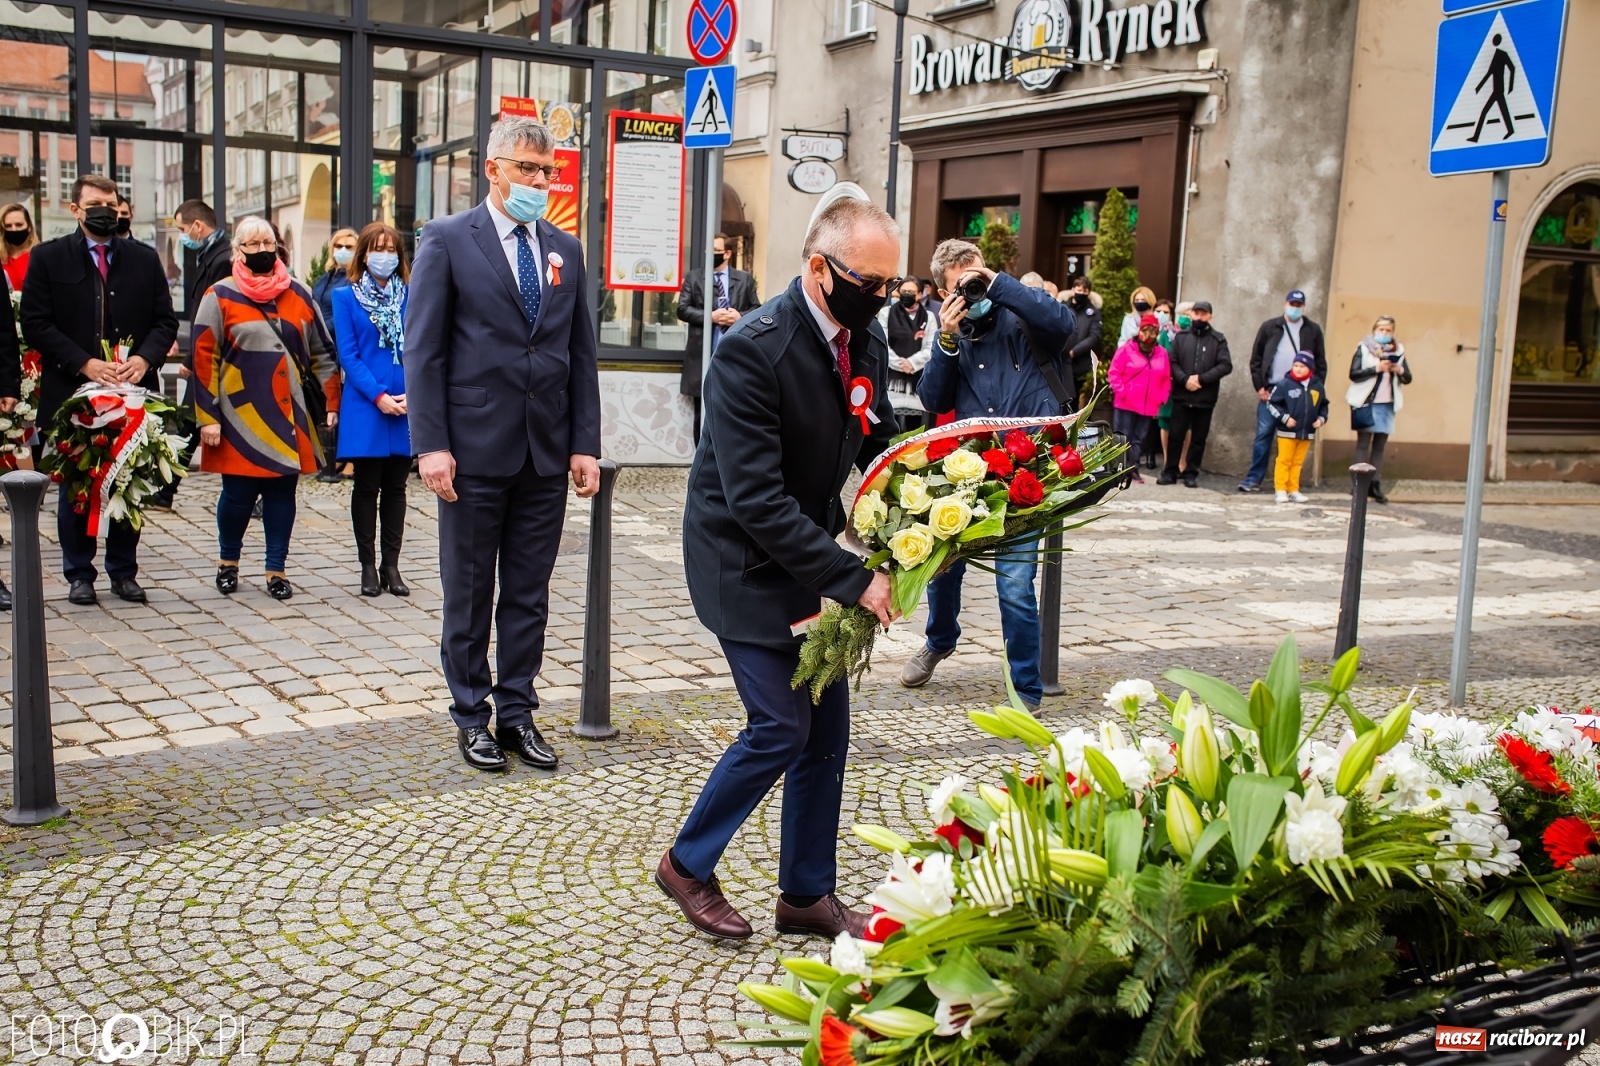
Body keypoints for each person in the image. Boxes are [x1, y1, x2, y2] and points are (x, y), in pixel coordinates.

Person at [659, 195, 900, 942]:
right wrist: (858, 579)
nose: (883, 300)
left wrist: (935, 497)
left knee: (826, 730)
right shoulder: (752, 350)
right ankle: (687, 865)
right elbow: (757, 502)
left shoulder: (865, 343)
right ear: (819, 267)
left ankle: (805, 896)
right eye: (871, 284)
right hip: (743, 561)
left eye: (892, 286)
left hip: (810, 556)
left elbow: (878, 443)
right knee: (779, 725)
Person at [404, 116, 602, 774]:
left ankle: (516, 711)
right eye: (527, 169)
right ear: (492, 169)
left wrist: (584, 443)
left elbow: (580, 354)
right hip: (470, 451)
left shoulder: (563, 250)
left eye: (548, 172)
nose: (540, 182)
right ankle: (471, 715)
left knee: (528, 592)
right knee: (467, 590)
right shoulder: (447, 240)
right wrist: (431, 443)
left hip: (544, 454)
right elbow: (424, 351)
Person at [900, 237, 1076, 710]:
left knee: (1014, 585)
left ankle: (1026, 691)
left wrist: (998, 285)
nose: (973, 290)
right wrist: (947, 338)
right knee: (940, 569)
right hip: (972, 469)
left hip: (1030, 468)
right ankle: (940, 640)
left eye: (976, 275)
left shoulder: (1025, 314)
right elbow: (934, 399)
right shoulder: (953, 332)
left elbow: (1065, 324)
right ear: (942, 293)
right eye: (961, 285)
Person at [21, 173, 177, 605]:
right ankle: (79, 573)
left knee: (128, 481)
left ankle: (124, 571)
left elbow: (165, 321)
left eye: (112, 203)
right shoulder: (48, 258)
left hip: (131, 393)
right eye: (95, 205)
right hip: (72, 392)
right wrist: (83, 362)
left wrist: (144, 358)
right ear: (76, 210)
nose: (105, 212)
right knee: (78, 483)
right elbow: (35, 322)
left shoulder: (143, 260)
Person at [191, 216, 335, 601]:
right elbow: (204, 358)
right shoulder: (218, 295)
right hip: (238, 418)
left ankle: (277, 570)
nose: (261, 251)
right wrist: (207, 417)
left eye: (267, 243)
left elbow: (324, 353)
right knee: (236, 498)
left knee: (281, 498)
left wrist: (332, 403)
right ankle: (228, 562)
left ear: (277, 247)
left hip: (288, 417)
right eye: (251, 245)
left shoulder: (300, 294)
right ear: (237, 250)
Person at [331, 222, 412, 597]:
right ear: (364, 254)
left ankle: (391, 565)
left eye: (392, 249)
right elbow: (348, 354)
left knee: (396, 487)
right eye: (378, 248)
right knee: (366, 486)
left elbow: (423, 347)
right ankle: (367, 565)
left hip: (407, 402)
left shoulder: (411, 295)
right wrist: (379, 396)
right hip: (367, 404)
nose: (385, 256)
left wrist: (414, 393)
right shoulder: (345, 297)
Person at [150, 198, 235, 512]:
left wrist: (192, 357)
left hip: (217, 357)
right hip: (209, 355)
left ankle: (166, 490)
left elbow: (213, 314)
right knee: (190, 423)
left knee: (192, 422)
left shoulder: (223, 258)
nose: (183, 235)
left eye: (184, 229)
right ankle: (165, 490)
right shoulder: (211, 254)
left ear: (198, 226)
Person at [1241, 289, 1326, 492]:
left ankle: (1290, 486)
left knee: (1297, 439)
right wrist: (1260, 386)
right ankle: (1253, 479)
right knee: (1263, 435)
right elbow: (1256, 359)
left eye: (1298, 305)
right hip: (1272, 391)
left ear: (1304, 307)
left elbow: (1321, 363)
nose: (1295, 308)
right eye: (1292, 304)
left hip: (1301, 393)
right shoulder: (1270, 327)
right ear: (1284, 303)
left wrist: (1315, 391)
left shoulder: (1312, 330)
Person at [678, 232, 759, 441]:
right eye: (709, 250)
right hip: (702, 355)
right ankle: (701, 459)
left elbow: (758, 310)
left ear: (727, 254)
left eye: (715, 251)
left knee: (733, 409)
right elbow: (682, 309)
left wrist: (740, 316)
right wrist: (710, 316)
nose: (710, 254)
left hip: (735, 356)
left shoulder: (744, 280)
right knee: (702, 412)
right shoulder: (694, 278)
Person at [1160, 300, 1232, 487]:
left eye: (1203, 314)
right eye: (1196, 313)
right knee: (1175, 436)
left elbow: (1225, 365)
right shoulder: (1181, 338)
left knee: (1199, 438)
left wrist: (1201, 379)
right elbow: (1172, 361)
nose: (1199, 317)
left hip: (1204, 398)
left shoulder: (1218, 339)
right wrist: (1185, 380)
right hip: (1182, 396)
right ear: (1191, 315)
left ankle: (1191, 472)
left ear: (1210, 316)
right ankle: (1170, 471)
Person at [1346, 315, 1412, 505]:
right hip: (1366, 402)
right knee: (1363, 443)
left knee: (1380, 445)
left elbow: (1408, 377)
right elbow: (1354, 373)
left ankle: (1375, 484)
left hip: (1387, 403)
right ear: (1375, 330)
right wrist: (1377, 368)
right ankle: (1358, 484)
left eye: (1388, 330)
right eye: (1381, 329)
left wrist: (1398, 370)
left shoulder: (1398, 350)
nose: (1384, 333)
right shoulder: (1364, 348)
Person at [312, 227, 358, 484]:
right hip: (324, 346)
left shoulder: (355, 278)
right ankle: (338, 455)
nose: (342, 250)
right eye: (338, 245)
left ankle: (351, 460)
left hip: (342, 347)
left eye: (349, 247)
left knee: (346, 403)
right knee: (331, 404)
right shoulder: (327, 277)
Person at [1108, 314, 1171, 481]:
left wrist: (1161, 398)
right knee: (1122, 437)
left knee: (1138, 439)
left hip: (1149, 405)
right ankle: (1117, 470)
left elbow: (1166, 379)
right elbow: (1114, 373)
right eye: (1146, 330)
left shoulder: (1162, 354)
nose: (1149, 335)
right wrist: (1123, 392)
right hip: (1125, 403)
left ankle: (1132, 468)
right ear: (1139, 330)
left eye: (1153, 330)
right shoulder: (1127, 349)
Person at [1267, 351, 1328, 504]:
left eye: (1302, 366)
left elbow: (1323, 406)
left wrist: (1321, 419)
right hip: (1287, 432)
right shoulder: (1284, 384)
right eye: (1296, 365)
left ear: (1310, 368)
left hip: (1307, 432)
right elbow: (1272, 403)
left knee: (1297, 462)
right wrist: (1285, 418)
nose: (1298, 369)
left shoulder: (1317, 386)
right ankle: (1280, 489)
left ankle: (1293, 489)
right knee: (1284, 460)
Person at [1061, 274, 1100, 406]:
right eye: (1078, 290)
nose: (1081, 293)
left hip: (1081, 366)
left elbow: (1095, 336)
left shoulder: (1093, 312)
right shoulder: (1062, 307)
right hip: (1061, 362)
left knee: (1077, 402)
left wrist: (1074, 351)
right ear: (1072, 290)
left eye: (1084, 291)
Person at [1, 202, 37, 292]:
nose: (14, 229)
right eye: (8, 226)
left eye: (19, 225)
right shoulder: (2, 258)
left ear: (29, 226)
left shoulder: (39, 256)